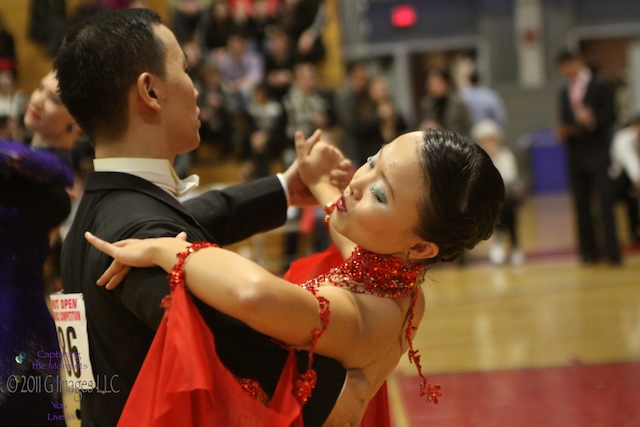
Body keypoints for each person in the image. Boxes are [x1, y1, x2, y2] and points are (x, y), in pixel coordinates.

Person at [54, 8, 353, 427]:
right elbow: (240, 353)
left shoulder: (101, 211)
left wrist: (285, 188)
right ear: (150, 92)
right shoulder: (138, 230)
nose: (196, 89)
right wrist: (354, 376)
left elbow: (192, 218)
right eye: (186, 69)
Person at [86, 128, 506, 425]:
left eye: (380, 194)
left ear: (419, 248)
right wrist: (318, 180)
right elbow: (345, 226)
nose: (359, 183)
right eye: (372, 161)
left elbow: (254, 295)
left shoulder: (366, 317)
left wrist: (170, 250)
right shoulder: (394, 275)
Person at [0, 71, 81, 426]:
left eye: (53, 99)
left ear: (76, 123)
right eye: (39, 88)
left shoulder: (54, 167)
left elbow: (24, 161)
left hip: (19, 325)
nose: (37, 99)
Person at [555, 49, 621, 265]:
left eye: (569, 65)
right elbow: (565, 119)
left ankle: (612, 253)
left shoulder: (599, 84)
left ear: (578, 62)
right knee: (581, 204)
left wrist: (592, 118)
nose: (567, 71)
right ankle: (588, 253)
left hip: (598, 151)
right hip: (575, 152)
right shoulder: (565, 91)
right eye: (563, 68)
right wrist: (565, 130)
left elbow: (611, 116)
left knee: (604, 202)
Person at [472, 119, 525, 265]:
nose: (489, 144)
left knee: (508, 212)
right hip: (488, 202)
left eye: (491, 140)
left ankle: (515, 247)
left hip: (507, 198)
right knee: (494, 214)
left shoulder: (506, 156)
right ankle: (497, 243)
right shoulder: (477, 159)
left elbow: (510, 177)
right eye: (485, 140)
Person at [610, 114, 640, 243]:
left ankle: (635, 230)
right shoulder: (624, 139)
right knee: (631, 191)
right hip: (615, 182)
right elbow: (633, 167)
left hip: (632, 182)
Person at [419, 68, 472, 137]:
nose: (433, 87)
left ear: (446, 83)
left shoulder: (458, 105)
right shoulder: (426, 105)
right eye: (430, 83)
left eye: (437, 83)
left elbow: (467, 128)